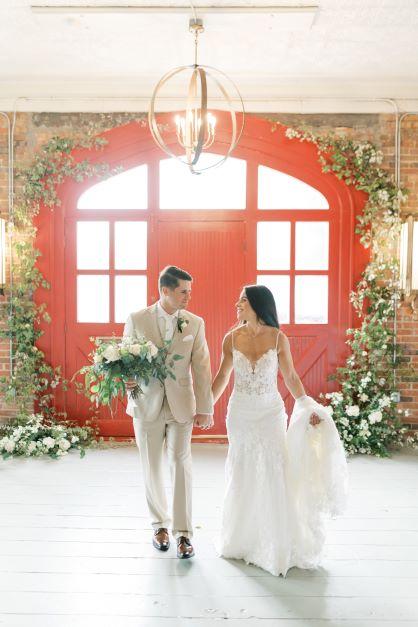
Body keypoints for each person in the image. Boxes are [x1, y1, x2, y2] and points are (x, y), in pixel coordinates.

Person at [212, 284, 348, 576]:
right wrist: (205, 408)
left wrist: (307, 406)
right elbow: (222, 376)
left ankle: (275, 542)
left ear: (258, 305)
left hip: (270, 412)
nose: (237, 303)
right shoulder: (230, 338)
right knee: (243, 468)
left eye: (243, 300)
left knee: (273, 469)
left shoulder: (278, 338)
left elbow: (290, 376)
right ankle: (243, 537)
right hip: (240, 413)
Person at [124, 265, 214, 559]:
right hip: (146, 405)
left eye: (190, 291)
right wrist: (130, 388)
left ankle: (184, 533)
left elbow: (201, 367)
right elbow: (126, 361)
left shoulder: (195, 323)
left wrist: (205, 408)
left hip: (182, 406)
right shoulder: (137, 319)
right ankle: (159, 525)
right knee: (151, 466)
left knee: (181, 462)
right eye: (183, 291)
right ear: (165, 291)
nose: (189, 296)